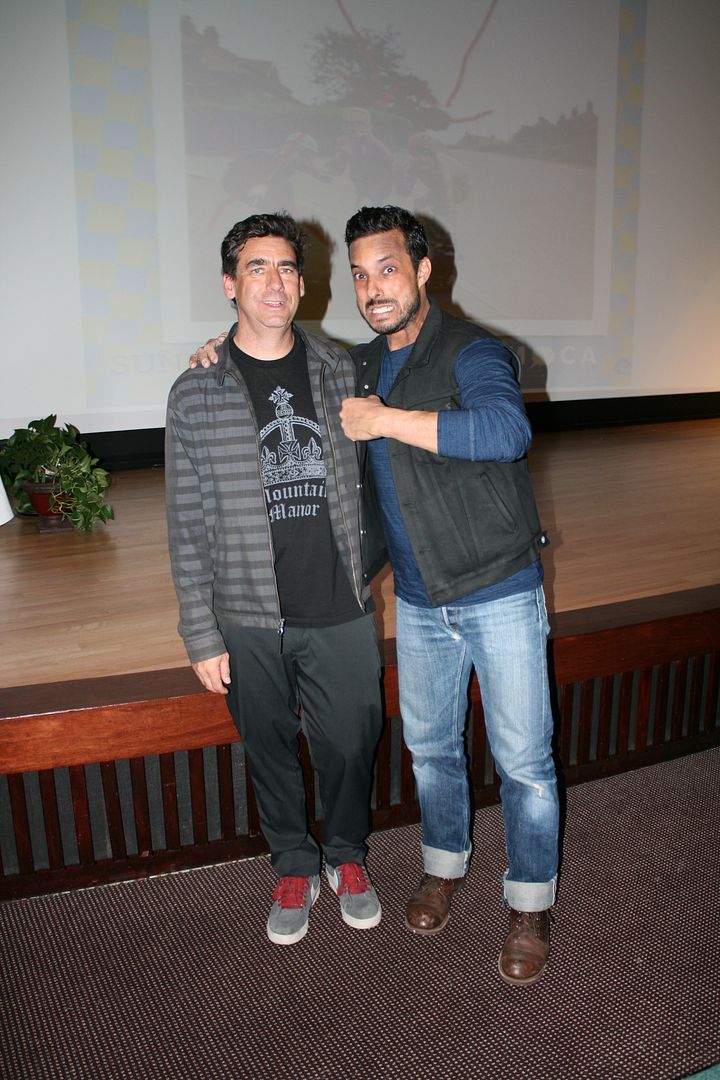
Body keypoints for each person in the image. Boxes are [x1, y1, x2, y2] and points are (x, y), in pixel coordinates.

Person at [189, 205, 559, 987]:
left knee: (524, 761)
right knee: (433, 752)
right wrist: (217, 354)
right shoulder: (352, 366)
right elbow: (274, 362)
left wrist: (387, 420)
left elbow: (505, 432)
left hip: (496, 588)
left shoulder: (471, 350)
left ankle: (529, 905)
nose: (373, 288)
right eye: (360, 275)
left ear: (423, 271)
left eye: (388, 269)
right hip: (419, 601)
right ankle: (443, 867)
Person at [167, 212, 383, 947]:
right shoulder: (195, 391)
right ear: (230, 285)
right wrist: (200, 632)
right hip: (247, 612)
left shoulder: (342, 369)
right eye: (256, 268)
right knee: (268, 748)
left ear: (302, 284)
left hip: (339, 601)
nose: (274, 282)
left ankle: (346, 854)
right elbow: (185, 519)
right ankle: (293, 861)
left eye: (286, 268)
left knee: (352, 742)